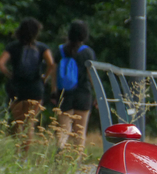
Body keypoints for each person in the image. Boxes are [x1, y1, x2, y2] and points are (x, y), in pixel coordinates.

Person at [0, 17, 55, 151]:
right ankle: (25, 156)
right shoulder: (42, 47)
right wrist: (44, 77)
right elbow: (51, 64)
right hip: (35, 89)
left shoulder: (12, 47)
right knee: (29, 123)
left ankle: (18, 153)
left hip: (16, 88)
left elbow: (1, 64)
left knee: (18, 123)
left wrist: (10, 75)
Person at [51, 20, 96, 149]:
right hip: (83, 94)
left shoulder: (60, 50)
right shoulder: (87, 52)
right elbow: (91, 76)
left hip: (64, 93)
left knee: (63, 129)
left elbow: (54, 73)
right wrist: (97, 94)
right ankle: (76, 162)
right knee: (80, 131)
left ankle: (60, 150)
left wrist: (54, 91)